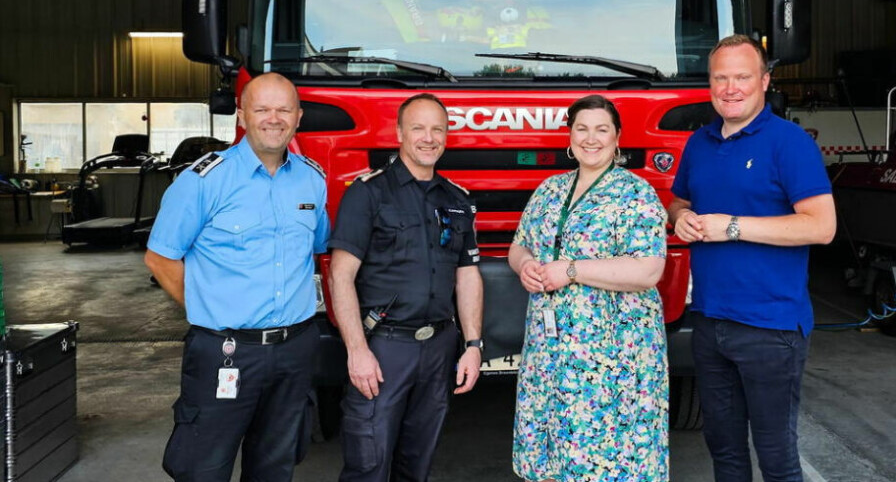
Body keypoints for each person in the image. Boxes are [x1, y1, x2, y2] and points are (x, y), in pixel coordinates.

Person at [144, 72, 331, 481]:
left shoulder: (312, 180)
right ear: (243, 115)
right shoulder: (202, 181)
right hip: (224, 351)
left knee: (276, 466)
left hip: (294, 350)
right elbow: (160, 259)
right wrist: (208, 310)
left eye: (284, 109)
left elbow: (318, 250)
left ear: (298, 117)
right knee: (204, 468)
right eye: (262, 109)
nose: (274, 118)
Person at [667, 34, 836, 482]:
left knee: (777, 458)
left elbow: (821, 226)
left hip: (771, 328)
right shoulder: (699, 143)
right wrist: (681, 217)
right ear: (709, 84)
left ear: (764, 81)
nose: (731, 88)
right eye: (720, 78)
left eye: (742, 76)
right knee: (723, 452)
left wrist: (734, 226)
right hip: (708, 321)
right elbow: (679, 201)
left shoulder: (789, 142)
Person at [509, 94, 669, 482]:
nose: (590, 138)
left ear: (617, 138)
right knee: (551, 455)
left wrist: (573, 270)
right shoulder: (549, 189)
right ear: (570, 135)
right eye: (582, 128)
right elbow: (519, 244)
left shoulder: (636, 193)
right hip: (550, 352)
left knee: (611, 458)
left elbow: (649, 269)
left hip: (613, 355)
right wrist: (525, 265)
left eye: (602, 129)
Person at [328, 93, 484, 482]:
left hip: (438, 349)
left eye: (438, 129)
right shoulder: (368, 193)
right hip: (384, 349)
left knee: (417, 464)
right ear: (399, 133)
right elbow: (341, 276)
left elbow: (467, 275)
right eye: (418, 128)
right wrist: (357, 351)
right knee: (369, 464)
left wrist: (473, 346)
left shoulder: (457, 200)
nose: (429, 138)